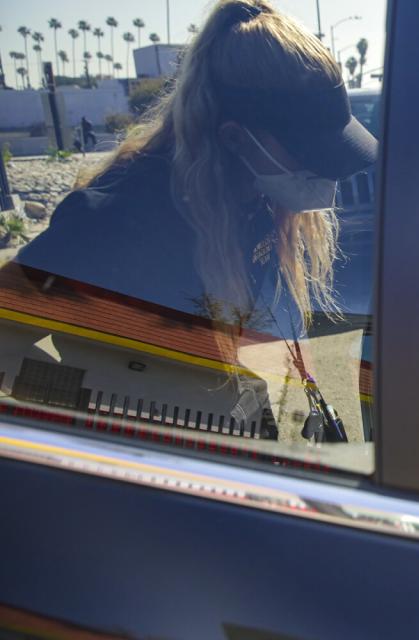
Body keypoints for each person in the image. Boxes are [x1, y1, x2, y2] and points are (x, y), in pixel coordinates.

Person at [11, 0, 376, 438]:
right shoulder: (116, 217)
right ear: (233, 137)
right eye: (308, 154)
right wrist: (88, 403)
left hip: (236, 447)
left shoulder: (251, 195)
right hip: (152, 473)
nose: (325, 173)